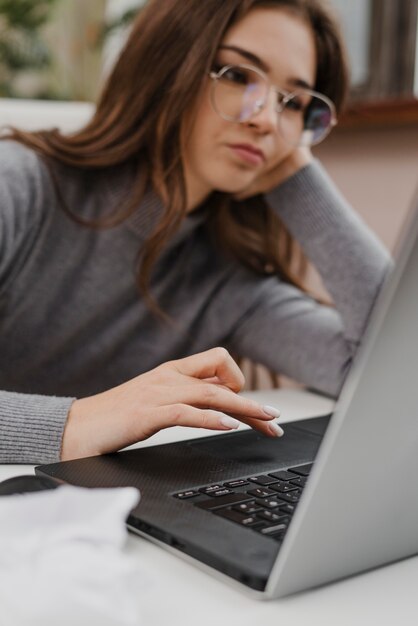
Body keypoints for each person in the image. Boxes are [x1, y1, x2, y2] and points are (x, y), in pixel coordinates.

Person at [0, 0, 391, 464]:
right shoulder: (18, 187)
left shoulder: (228, 283)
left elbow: (393, 373)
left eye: (296, 103)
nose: (265, 119)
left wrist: (300, 181)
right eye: (237, 74)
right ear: (167, 66)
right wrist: (77, 422)